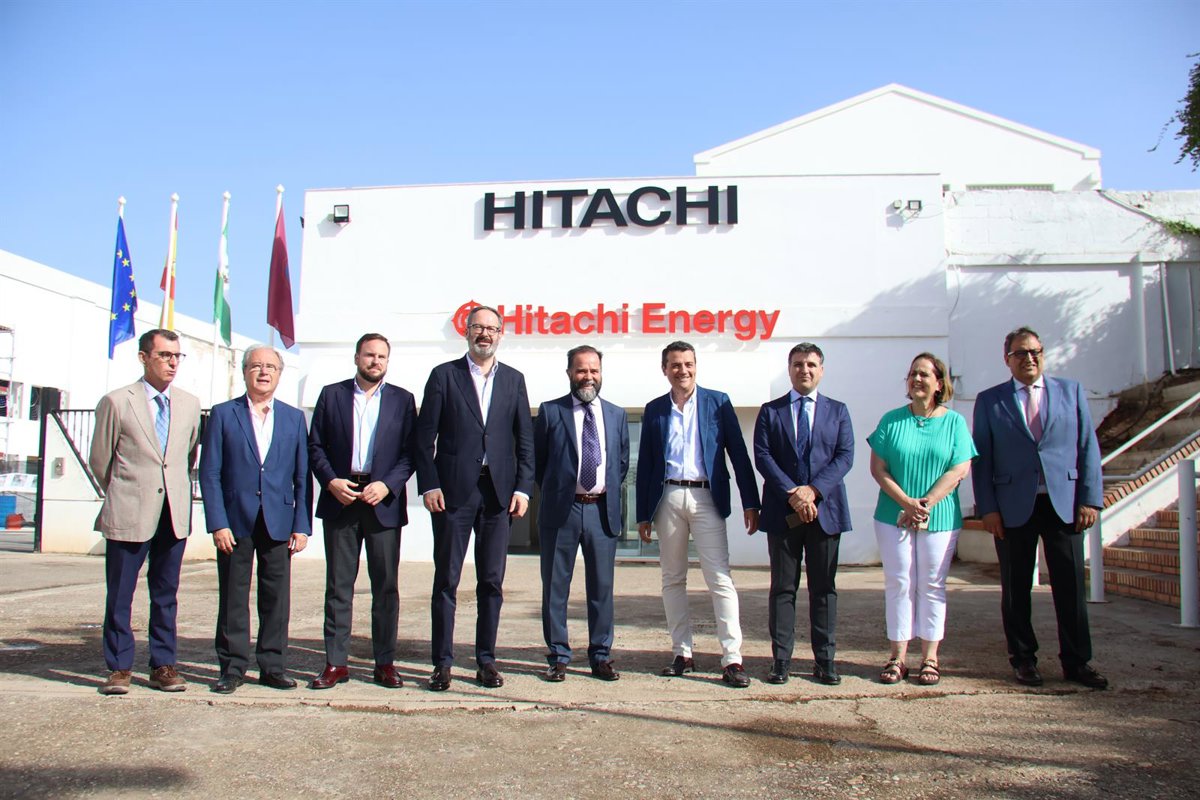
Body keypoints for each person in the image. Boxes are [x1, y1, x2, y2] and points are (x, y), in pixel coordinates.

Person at [972, 326, 1108, 689]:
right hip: (1012, 506)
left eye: (1035, 352)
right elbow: (982, 459)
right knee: (1016, 587)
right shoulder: (990, 400)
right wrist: (988, 508)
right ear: (1007, 359)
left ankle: (1077, 662)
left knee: (1071, 587)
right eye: (1020, 353)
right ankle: (1023, 659)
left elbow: (1087, 447)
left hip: (1064, 503)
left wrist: (1090, 498)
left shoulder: (1070, 391)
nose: (1029, 358)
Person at [416, 305, 534, 691]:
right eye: (478, 327)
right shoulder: (444, 376)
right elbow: (423, 438)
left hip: (498, 496)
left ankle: (486, 660)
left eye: (491, 328)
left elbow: (524, 441)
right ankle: (442, 663)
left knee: (492, 582)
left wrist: (523, 488)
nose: (485, 334)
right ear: (466, 332)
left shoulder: (514, 380)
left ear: (501, 334)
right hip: (452, 494)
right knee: (446, 580)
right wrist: (429, 484)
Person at [636, 341, 761, 688]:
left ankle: (732, 658)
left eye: (688, 364)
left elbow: (738, 454)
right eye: (676, 365)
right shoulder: (655, 409)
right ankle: (682, 653)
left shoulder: (717, 402)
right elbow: (646, 464)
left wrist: (751, 502)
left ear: (696, 366)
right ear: (665, 369)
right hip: (668, 497)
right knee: (672, 578)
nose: (683, 370)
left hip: (707, 497)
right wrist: (643, 513)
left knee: (720, 578)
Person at [89, 328, 201, 695]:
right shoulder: (117, 401)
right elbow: (100, 460)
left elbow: (187, 457)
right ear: (143, 358)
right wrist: (125, 492)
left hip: (173, 513)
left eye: (177, 356)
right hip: (129, 511)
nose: (172, 363)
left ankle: (163, 665)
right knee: (120, 594)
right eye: (164, 355)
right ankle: (119, 667)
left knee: (166, 594)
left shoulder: (189, 404)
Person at [308, 333, 417, 690]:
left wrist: (388, 485)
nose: (375, 361)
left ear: (388, 361)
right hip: (341, 498)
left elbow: (411, 453)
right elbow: (315, 445)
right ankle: (335, 664)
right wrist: (330, 481)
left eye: (382, 356)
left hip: (382, 501)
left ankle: (384, 663)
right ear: (357, 357)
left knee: (385, 587)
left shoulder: (402, 400)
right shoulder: (332, 395)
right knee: (339, 586)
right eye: (369, 355)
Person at [199, 345, 310, 694]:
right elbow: (210, 473)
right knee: (233, 597)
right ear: (245, 371)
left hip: (279, 521)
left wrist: (301, 525)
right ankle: (232, 668)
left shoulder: (293, 418)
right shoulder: (223, 414)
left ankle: (273, 667)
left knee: (276, 598)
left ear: (279, 374)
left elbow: (302, 476)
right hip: (235, 522)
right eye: (257, 366)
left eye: (271, 367)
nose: (264, 372)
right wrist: (217, 522)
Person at [866, 353, 974, 686]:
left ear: (939, 383)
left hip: (939, 518)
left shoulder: (955, 423)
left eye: (925, 374)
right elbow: (878, 468)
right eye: (913, 373)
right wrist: (906, 503)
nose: (917, 379)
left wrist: (925, 504)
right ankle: (897, 656)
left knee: (931, 585)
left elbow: (960, 468)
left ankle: (930, 657)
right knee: (899, 583)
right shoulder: (891, 420)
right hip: (893, 516)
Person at [753, 342, 854, 685]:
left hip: (826, 512)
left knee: (823, 589)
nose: (804, 370)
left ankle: (825, 661)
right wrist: (794, 493)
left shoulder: (838, 411)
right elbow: (763, 456)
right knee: (783, 588)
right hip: (783, 513)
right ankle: (781, 660)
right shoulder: (771, 411)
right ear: (789, 369)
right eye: (798, 364)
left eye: (811, 364)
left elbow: (844, 456)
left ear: (821, 370)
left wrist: (813, 491)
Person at [534, 346, 629, 682]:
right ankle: (558, 656)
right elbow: (539, 463)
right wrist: (560, 491)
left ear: (601, 373)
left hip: (601, 511)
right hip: (562, 511)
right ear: (569, 373)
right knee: (555, 588)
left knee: (601, 588)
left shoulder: (617, 415)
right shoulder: (550, 412)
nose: (588, 376)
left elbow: (620, 463)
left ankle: (600, 656)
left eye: (594, 370)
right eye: (581, 370)